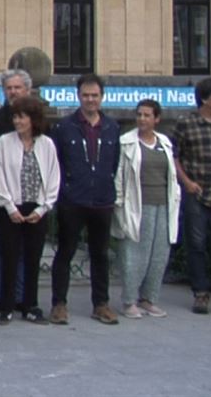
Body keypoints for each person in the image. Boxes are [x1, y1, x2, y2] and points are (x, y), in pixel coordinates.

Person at [49, 74, 121, 326]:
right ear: (78, 96)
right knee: (65, 252)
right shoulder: (64, 127)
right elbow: (56, 162)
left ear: (102, 97)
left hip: (102, 200)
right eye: (86, 95)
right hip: (73, 200)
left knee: (100, 253)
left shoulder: (112, 127)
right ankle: (59, 304)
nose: (90, 100)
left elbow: (114, 162)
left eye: (95, 95)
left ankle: (101, 304)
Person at [0, 96, 59, 326]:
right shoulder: (4, 142)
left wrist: (43, 207)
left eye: (22, 117)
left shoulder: (46, 144)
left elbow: (52, 177)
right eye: (15, 117)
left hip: (36, 208)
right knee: (9, 257)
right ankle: (7, 306)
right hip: (11, 208)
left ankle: (31, 305)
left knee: (32, 258)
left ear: (33, 119)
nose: (17, 121)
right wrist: (9, 206)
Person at [115, 99, 179, 319]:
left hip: (163, 204)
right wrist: (120, 205)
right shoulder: (126, 142)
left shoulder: (165, 143)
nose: (142, 119)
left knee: (159, 254)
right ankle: (129, 300)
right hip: (137, 205)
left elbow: (171, 176)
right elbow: (120, 178)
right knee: (135, 254)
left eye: (147, 115)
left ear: (157, 119)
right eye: (139, 115)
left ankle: (149, 298)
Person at [0, 68, 32, 316]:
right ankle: (0, 296)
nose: (12, 92)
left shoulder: (39, 121)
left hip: (31, 198)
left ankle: (22, 297)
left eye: (17, 88)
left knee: (25, 249)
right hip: (1, 198)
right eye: (9, 88)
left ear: (27, 90)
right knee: (0, 248)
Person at [171, 76, 211, 314]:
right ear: (206, 99)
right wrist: (186, 181)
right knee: (196, 244)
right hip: (196, 192)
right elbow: (174, 155)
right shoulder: (186, 123)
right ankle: (200, 293)